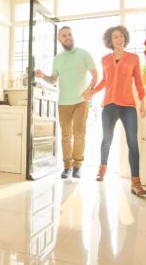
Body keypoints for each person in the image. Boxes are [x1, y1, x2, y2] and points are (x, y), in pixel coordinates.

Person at [84, 25, 146, 196]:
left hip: (128, 105)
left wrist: (142, 101)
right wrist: (93, 91)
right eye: (115, 37)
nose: (119, 39)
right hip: (109, 105)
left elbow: (139, 82)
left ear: (125, 37)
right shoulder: (105, 59)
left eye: (121, 36)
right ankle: (102, 168)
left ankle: (136, 182)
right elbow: (105, 80)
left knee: (133, 142)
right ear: (110, 41)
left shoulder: (133, 58)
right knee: (106, 139)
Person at [35, 26, 98, 179]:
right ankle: (67, 167)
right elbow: (53, 80)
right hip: (63, 102)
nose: (67, 37)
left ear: (72, 35)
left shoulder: (84, 54)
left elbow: (95, 74)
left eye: (69, 34)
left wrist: (90, 90)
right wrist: (43, 76)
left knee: (79, 134)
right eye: (63, 36)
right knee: (65, 136)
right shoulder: (58, 59)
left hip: (81, 101)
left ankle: (77, 166)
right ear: (59, 39)